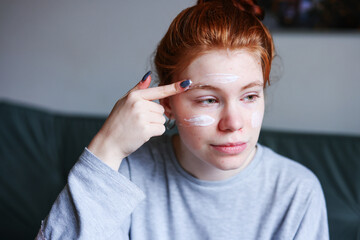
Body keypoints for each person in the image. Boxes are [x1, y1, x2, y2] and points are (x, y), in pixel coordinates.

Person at [36, 0, 329, 239]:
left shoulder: (297, 192)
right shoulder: (125, 175)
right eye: (209, 100)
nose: (233, 123)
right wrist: (106, 147)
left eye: (250, 96)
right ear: (167, 102)